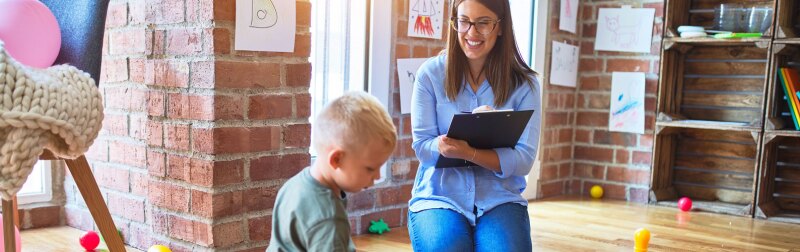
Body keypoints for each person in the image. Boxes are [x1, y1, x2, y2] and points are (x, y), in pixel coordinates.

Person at [408, 0, 541, 251]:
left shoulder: (525, 85)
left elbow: (523, 159)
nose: (471, 32)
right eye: (464, 21)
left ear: (500, 27)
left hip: (499, 199)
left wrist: (470, 153)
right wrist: (443, 144)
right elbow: (423, 148)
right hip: (440, 197)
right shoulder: (430, 74)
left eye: (483, 23)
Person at [267, 91, 397, 252]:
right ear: (336, 159)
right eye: (370, 168)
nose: (377, 176)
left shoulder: (295, 185)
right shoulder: (329, 220)